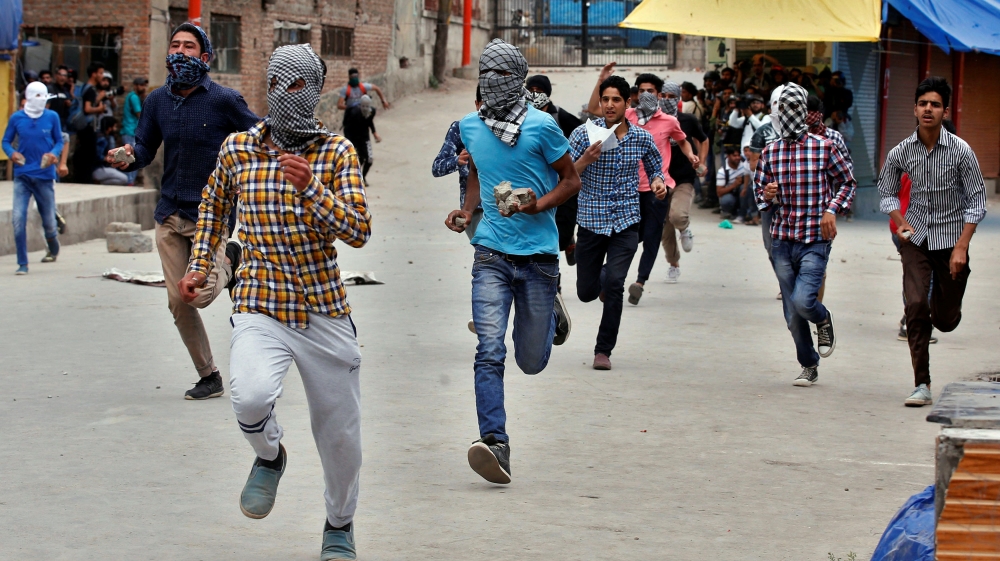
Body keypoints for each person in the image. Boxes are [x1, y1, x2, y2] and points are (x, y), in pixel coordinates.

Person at [179, 43, 370, 559]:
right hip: (261, 303)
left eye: (301, 85)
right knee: (249, 397)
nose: (290, 94)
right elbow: (213, 208)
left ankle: (338, 526)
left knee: (341, 441)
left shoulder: (336, 153)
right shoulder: (239, 149)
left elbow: (358, 230)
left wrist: (312, 190)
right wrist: (200, 264)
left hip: (323, 310)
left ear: (315, 91)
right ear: (269, 88)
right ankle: (269, 456)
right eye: (281, 84)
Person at [444, 39, 579, 485]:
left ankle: (552, 310)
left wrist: (538, 205)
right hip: (490, 253)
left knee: (531, 362)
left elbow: (571, 179)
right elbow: (479, 172)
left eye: (502, 74)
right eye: (487, 73)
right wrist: (467, 210)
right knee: (488, 348)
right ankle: (496, 443)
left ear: (519, 78)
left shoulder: (542, 126)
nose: (493, 82)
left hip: (539, 258)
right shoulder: (469, 125)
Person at [106, 23, 260, 400]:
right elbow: (145, 147)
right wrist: (128, 157)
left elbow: (259, 136)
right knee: (179, 299)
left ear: (204, 57)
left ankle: (231, 260)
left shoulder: (224, 100)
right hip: (169, 212)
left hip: (212, 213)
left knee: (202, 295)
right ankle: (209, 375)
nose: (179, 51)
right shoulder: (157, 100)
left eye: (189, 46)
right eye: (174, 45)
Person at [877, 77, 986, 407]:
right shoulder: (901, 152)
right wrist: (901, 222)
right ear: (915, 109)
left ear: (945, 111)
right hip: (916, 239)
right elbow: (885, 192)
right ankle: (921, 383)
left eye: (935, 104)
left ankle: (950, 303)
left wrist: (962, 246)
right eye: (923, 103)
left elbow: (977, 201)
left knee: (945, 319)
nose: (928, 109)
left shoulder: (961, 152)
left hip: (952, 241)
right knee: (915, 306)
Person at [753, 82, 856, 387]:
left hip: (815, 239)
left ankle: (822, 319)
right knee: (791, 315)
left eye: (795, 107)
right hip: (782, 240)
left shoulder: (825, 147)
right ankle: (808, 364)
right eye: (783, 108)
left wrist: (832, 209)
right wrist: (768, 194)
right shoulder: (771, 151)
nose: (789, 113)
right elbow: (759, 196)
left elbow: (847, 182)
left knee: (803, 300)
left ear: (807, 112)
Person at [570, 75, 664, 370]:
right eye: (605, 99)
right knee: (586, 292)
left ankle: (603, 350)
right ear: (599, 102)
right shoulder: (583, 135)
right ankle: (599, 278)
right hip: (591, 221)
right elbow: (566, 175)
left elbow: (655, 167)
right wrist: (585, 159)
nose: (609, 105)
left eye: (616, 100)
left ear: (628, 102)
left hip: (626, 222)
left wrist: (659, 182)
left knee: (614, 285)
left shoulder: (641, 137)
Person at [620, 76, 695, 303]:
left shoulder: (669, 121)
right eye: (641, 91)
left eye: (651, 91)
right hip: (630, 188)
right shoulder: (628, 116)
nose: (646, 95)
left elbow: (682, 140)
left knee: (652, 236)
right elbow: (597, 115)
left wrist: (690, 154)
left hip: (657, 188)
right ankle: (612, 275)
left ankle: (639, 282)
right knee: (631, 236)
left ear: (659, 94)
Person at [2, 82, 63, 275]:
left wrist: (54, 154)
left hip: (45, 177)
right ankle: (22, 263)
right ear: (28, 97)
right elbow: (5, 141)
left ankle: (53, 246)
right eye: (37, 97)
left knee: (49, 223)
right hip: (22, 176)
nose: (41, 101)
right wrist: (11, 153)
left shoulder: (52, 117)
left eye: (43, 97)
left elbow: (59, 140)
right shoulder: (17, 118)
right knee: (18, 219)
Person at [526, 74, 583, 266]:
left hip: (562, 183)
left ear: (548, 94)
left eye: (539, 92)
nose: (535, 94)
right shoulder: (522, 117)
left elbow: (582, 135)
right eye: (531, 90)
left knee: (562, 234)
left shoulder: (560, 116)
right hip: (537, 185)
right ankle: (553, 286)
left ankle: (568, 242)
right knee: (544, 236)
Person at [660, 82, 708, 283]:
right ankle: (673, 264)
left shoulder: (688, 120)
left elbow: (703, 140)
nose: (667, 99)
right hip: (660, 180)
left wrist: (701, 162)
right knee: (665, 230)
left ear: (679, 98)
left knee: (677, 216)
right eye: (663, 95)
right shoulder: (653, 121)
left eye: (672, 96)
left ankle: (685, 227)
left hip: (683, 178)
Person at [432, 87, 482, 241]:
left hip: (505, 207)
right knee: (488, 255)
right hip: (476, 210)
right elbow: (437, 167)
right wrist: (457, 161)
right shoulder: (462, 128)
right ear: (477, 104)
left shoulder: (510, 131)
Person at [72, 61, 106, 183]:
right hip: (87, 126)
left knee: (84, 153)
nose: (102, 76)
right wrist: (100, 109)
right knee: (88, 154)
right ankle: (85, 179)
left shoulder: (84, 88)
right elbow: (87, 109)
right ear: (93, 74)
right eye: (100, 73)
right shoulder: (90, 90)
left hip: (83, 125)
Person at [342, 94, 380, 183]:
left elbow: (370, 122)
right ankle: (357, 178)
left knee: (369, 160)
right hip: (354, 138)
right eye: (363, 106)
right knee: (358, 159)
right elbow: (346, 128)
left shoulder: (371, 112)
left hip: (365, 138)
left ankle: (363, 177)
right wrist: (348, 142)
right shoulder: (354, 113)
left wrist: (374, 133)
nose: (365, 108)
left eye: (367, 106)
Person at [121, 77, 146, 184]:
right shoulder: (134, 97)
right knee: (131, 158)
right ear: (135, 86)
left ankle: (130, 181)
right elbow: (139, 114)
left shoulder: (132, 96)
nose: (142, 87)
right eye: (140, 85)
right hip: (130, 130)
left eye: (143, 85)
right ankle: (129, 182)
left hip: (131, 130)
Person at [717, 146, 751, 221]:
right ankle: (732, 212)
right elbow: (719, 192)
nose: (737, 158)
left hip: (743, 194)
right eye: (734, 156)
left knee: (744, 188)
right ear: (728, 156)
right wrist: (734, 185)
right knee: (726, 201)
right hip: (731, 194)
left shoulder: (744, 165)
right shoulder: (722, 171)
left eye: (738, 155)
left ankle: (743, 213)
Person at [92, 117, 129, 185]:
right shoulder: (102, 140)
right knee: (124, 179)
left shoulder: (101, 136)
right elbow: (97, 156)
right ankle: (98, 183)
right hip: (97, 169)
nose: (115, 129)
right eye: (114, 127)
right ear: (109, 128)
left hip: (100, 168)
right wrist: (107, 158)